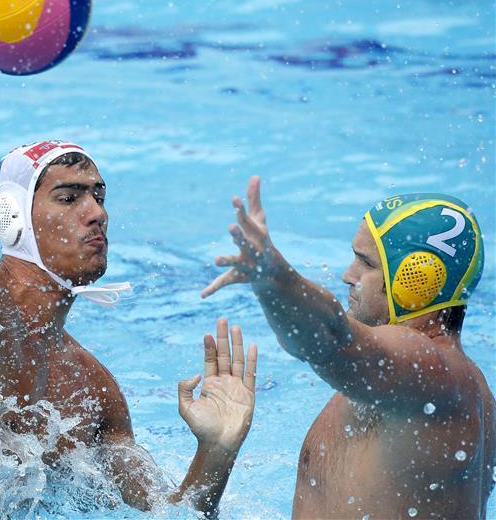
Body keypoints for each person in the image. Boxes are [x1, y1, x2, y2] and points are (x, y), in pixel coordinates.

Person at [0, 41, 259, 518]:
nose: (97, 213)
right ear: (13, 219)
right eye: (69, 198)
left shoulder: (93, 390)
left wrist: (218, 450)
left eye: (99, 196)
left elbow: (170, 515)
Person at [202, 177, 494, 519]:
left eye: (366, 263)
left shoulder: (431, 372)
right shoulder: (430, 385)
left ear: (416, 279)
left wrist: (274, 277)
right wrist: (214, 455)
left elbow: (330, 339)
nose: (347, 274)